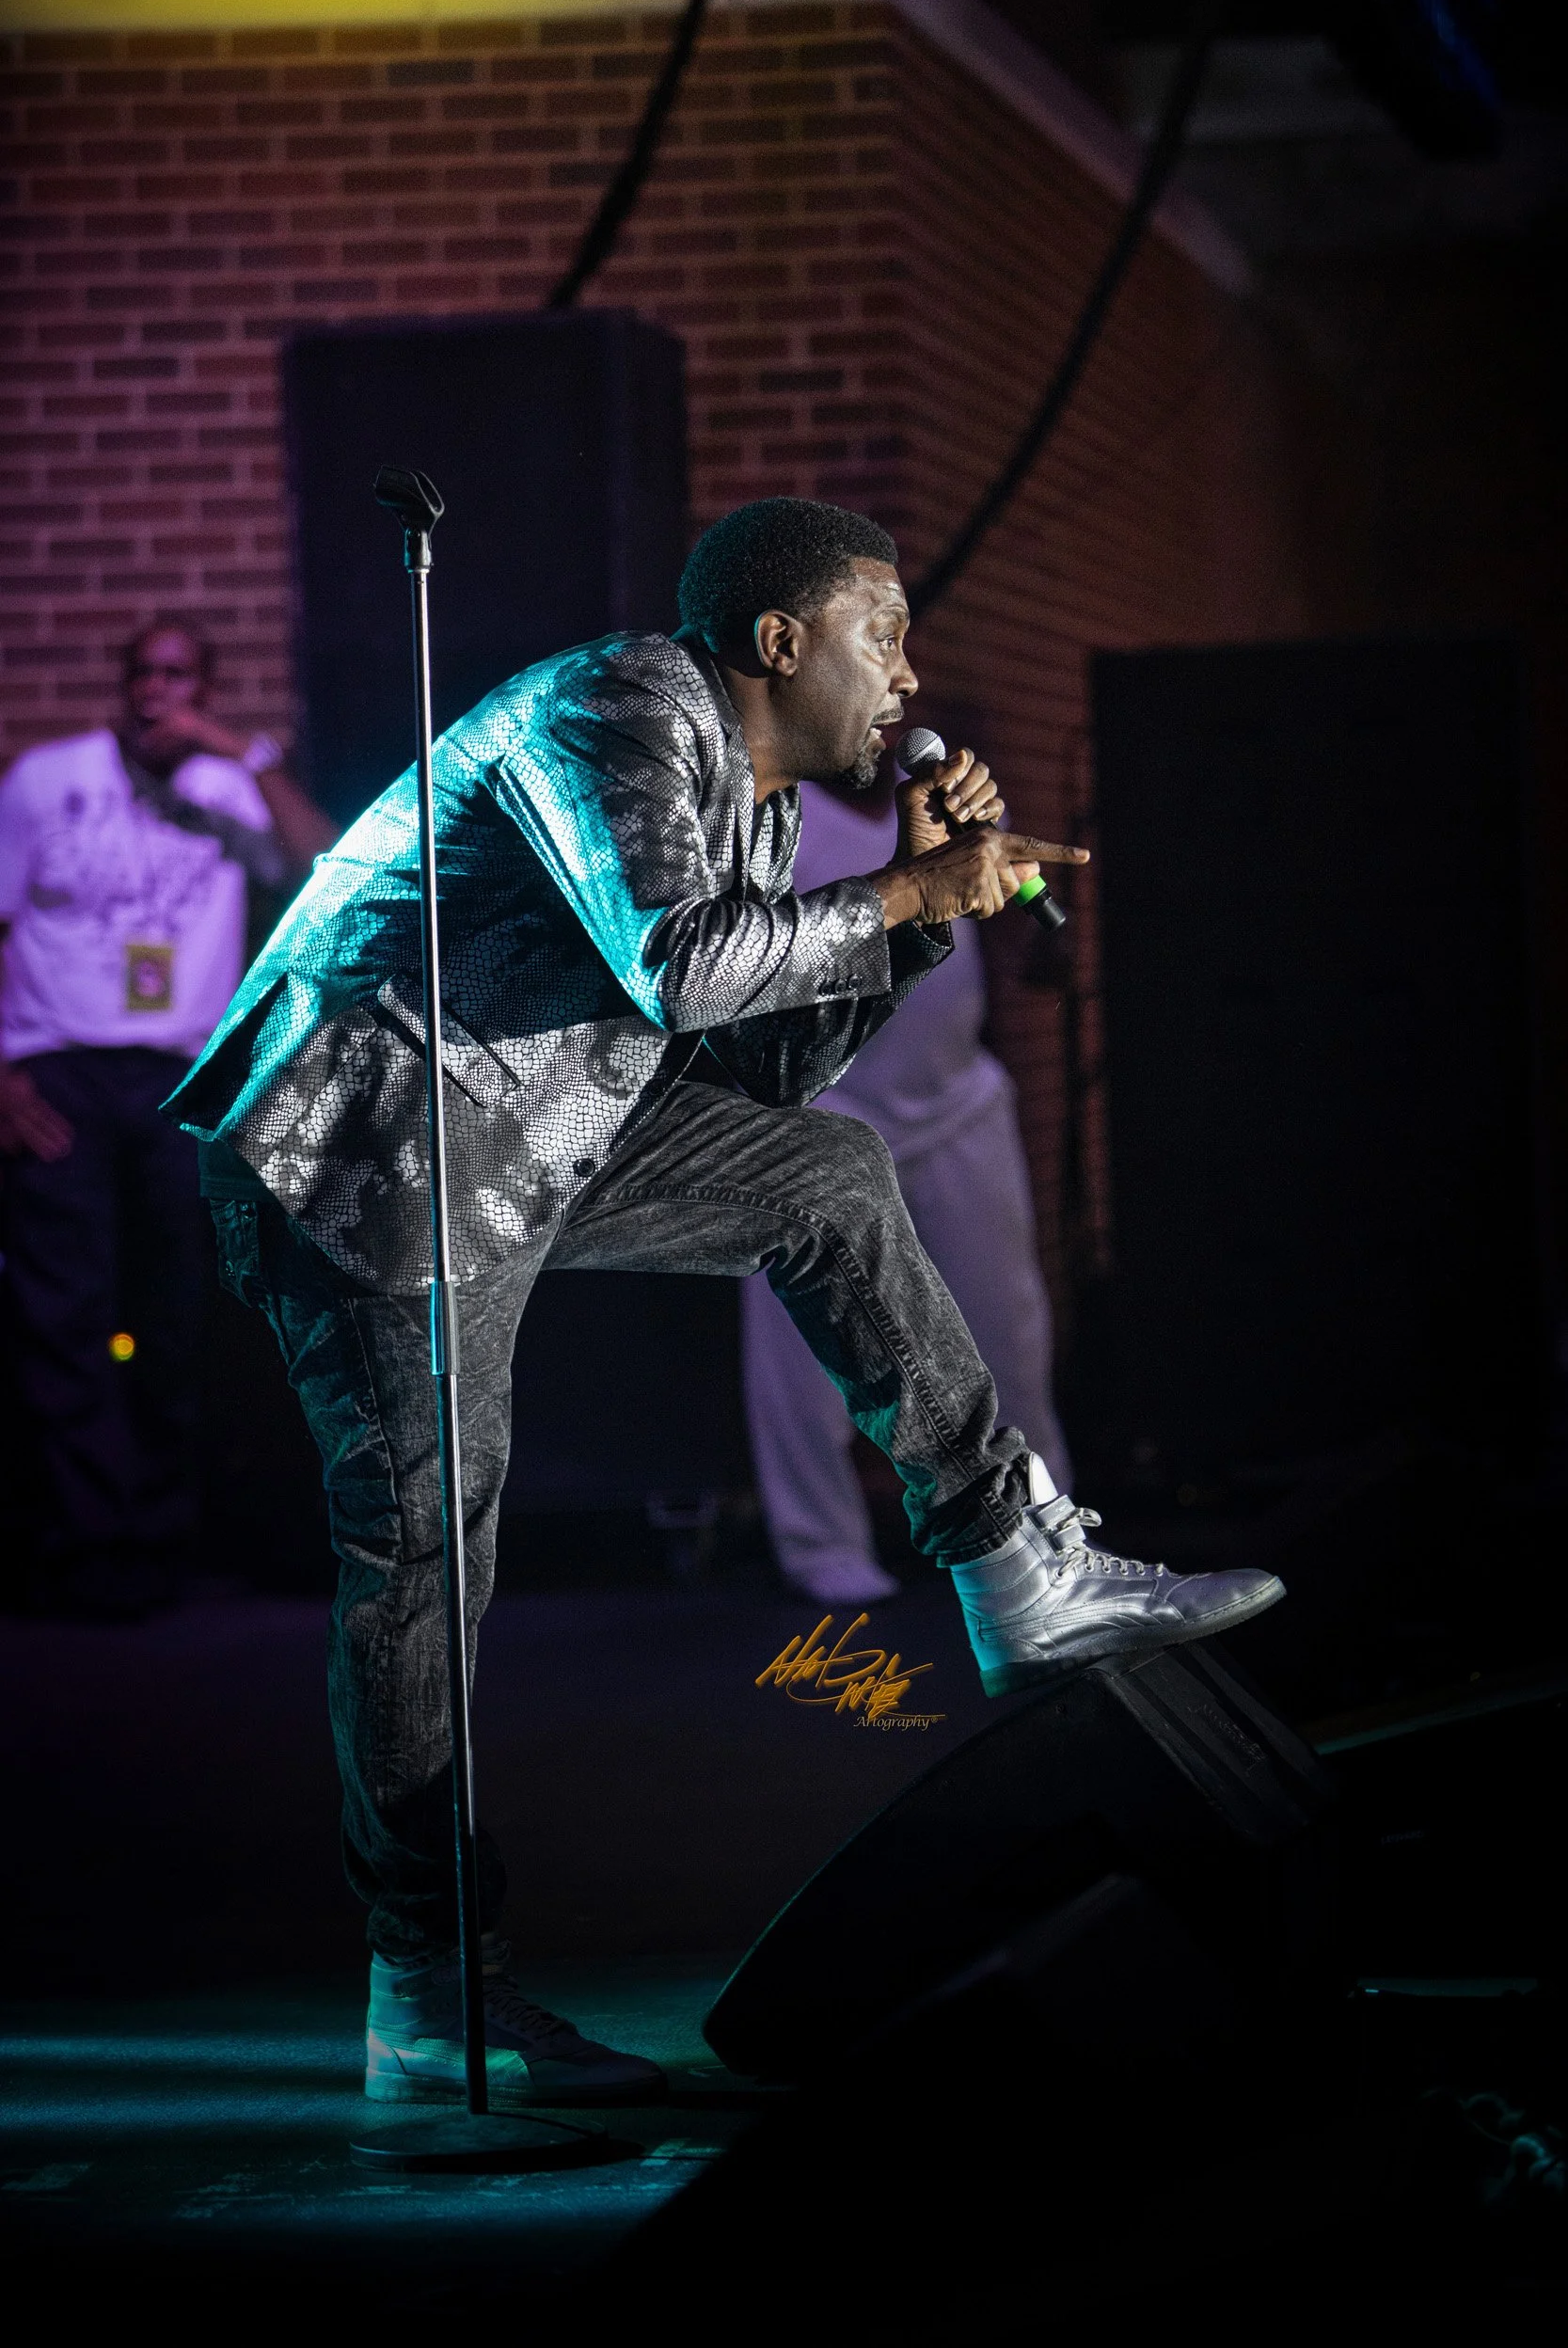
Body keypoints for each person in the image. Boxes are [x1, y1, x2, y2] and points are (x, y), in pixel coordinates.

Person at [166, 498, 1284, 2109]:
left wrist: (912, 906)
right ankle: (427, 1992)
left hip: (530, 1134)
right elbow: (675, 964)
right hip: (364, 1150)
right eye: (879, 633)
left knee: (824, 1175)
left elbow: (761, 1074)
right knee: (430, 1553)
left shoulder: (758, 808)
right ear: (779, 642)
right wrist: (909, 900)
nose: (907, 673)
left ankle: (1011, 1568)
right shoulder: (617, 704)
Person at [0, 623, 337, 1615]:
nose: (156, 693)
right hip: (59, 1069)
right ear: (120, 682)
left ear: (204, 689)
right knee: (68, 1312)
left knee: (172, 1310)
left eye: (178, 678)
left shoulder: (231, 790)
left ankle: (159, 1537)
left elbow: (318, 863)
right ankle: (89, 1546)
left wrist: (240, 752)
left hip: (177, 1078)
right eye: (142, 673)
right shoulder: (48, 779)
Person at [742, 769, 1072, 1604]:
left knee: (1009, 1335)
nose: (896, 686)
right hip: (828, 1110)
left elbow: (1015, 941)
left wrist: (1045, 924)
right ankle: (821, 1546)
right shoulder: (774, 813)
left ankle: (1049, 1536)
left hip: (959, 1104)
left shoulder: (940, 795)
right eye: (878, 644)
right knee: (805, 1354)